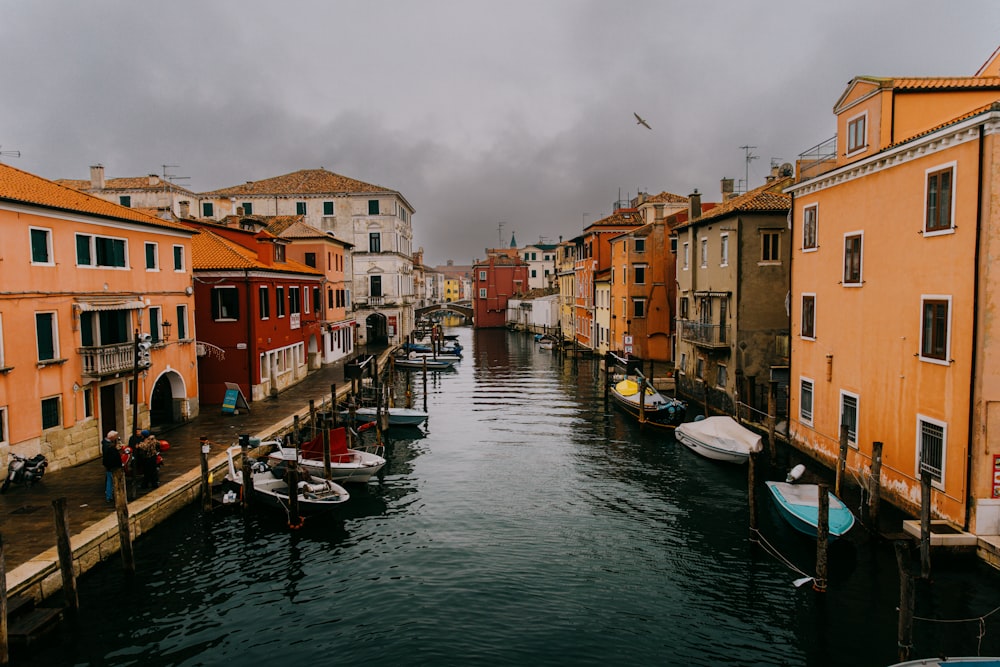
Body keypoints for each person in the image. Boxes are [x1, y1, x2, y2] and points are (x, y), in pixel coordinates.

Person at [101, 430, 122, 503]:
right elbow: (111, 457)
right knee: (111, 481)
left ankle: (109, 495)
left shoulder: (106, 444)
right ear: (112, 437)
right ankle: (109, 496)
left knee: (109, 480)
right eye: (115, 437)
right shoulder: (109, 447)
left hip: (109, 465)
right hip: (111, 466)